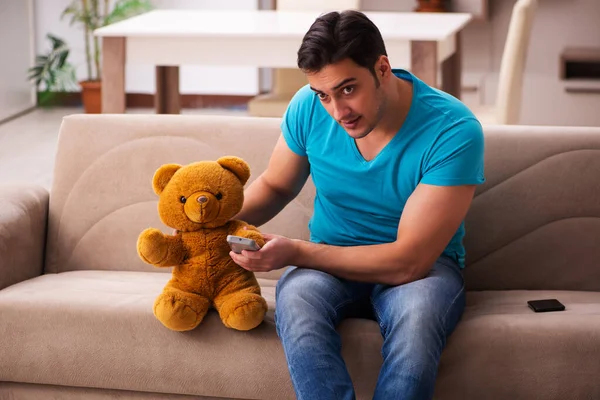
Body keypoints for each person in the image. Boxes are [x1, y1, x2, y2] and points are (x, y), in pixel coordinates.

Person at [229, 9, 485, 400]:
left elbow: (409, 261)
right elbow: (277, 186)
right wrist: (212, 223)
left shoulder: (452, 130)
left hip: (421, 271)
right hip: (330, 263)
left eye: (348, 89)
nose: (337, 111)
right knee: (296, 298)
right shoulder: (309, 107)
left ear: (382, 68)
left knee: (417, 319)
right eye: (324, 95)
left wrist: (296, 251)